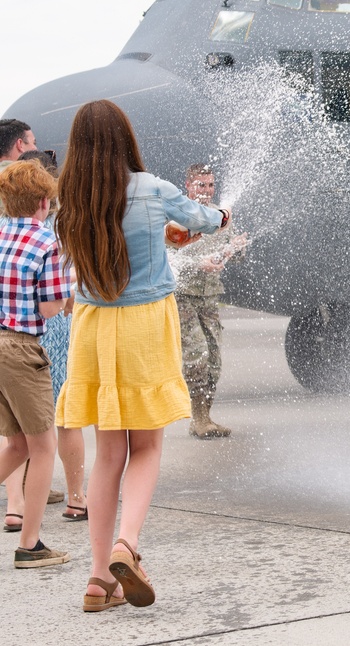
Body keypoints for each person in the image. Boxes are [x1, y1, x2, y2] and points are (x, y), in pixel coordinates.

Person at [55, 99, 230, 611]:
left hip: (92, 327)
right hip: (144, 324)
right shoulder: (153, 187)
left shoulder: (70, 196)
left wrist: (163, 234)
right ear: (124, 138)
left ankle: (97, 580)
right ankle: (126, 545)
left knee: (108, 454)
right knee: (147, 448)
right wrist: (219, 215)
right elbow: (207, 219)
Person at [0, 158, 72, 568]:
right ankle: (30, 544)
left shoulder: (0, 233)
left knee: (17, 445)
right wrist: (67, 297)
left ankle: (29, 539)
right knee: (43, 447)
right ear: (43, 202)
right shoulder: (46, 242)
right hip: (22, 348)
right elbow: (48, 309)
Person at [18, 150, 89, 522]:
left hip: (14, 331)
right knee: (65, 416)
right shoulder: (60, 226)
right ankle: (77, 496)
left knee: (20, 424)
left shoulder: (9, 225)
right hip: (54, 325)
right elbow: (60, 295)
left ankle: (18, 505)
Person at [169, 163, 247, 439]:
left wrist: (235, 249)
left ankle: (206, 416)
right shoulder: (176, 215)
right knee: (196, 354)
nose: (206, 190)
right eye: (201, 185)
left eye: (211, 185)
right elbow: (169, 258)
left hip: (210, 297)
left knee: (214, 358)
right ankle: (198, 418)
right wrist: (198, 264)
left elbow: (232, 257)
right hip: (183, 296)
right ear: (188, 185)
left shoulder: (219, 216)